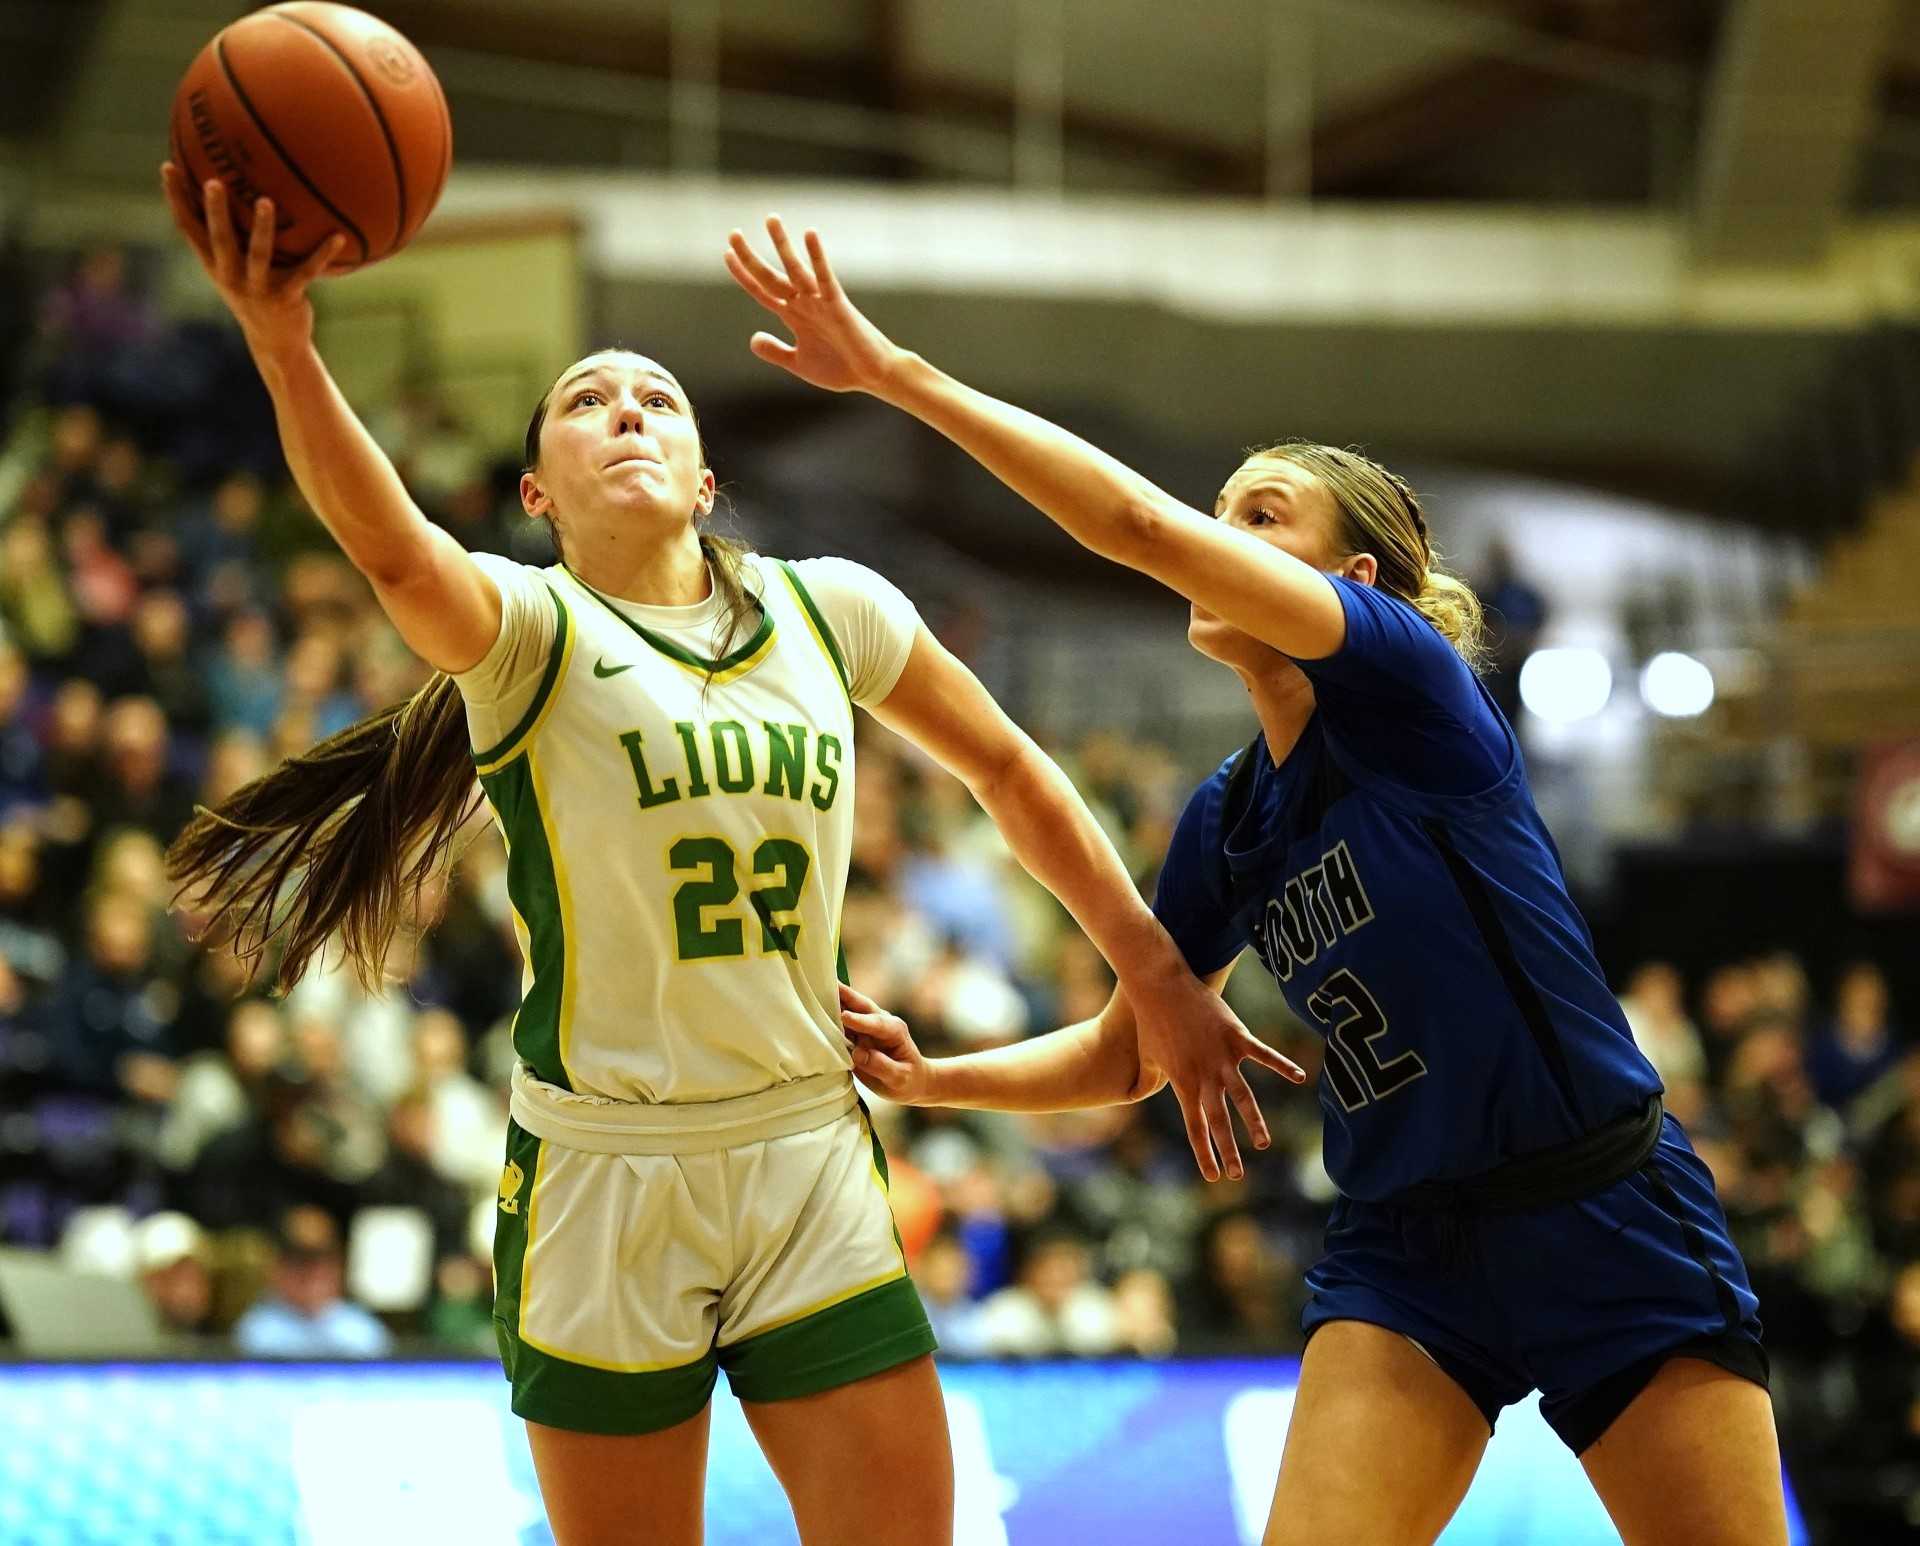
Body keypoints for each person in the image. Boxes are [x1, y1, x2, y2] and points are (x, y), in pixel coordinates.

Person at [157, 168, 1299, 1546]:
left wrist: (1157, 973)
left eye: (655, 398)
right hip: (602, 1173)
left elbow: (1009, 769)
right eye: (587, 399)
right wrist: (284, 344)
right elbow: (393, 552)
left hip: (802, 1146)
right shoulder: (529, 631)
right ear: (537, 491)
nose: (625, 408)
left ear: (706, 479)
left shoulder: (837, 610)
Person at [726, 216, 1788, 1546]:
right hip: (1407, 1252)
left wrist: (897, 376)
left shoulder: (1408, 687)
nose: (1215, 533)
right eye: (1219, 507)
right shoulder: (1230, 817)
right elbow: (1133, 1048)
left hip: (1600, 1210)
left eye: (1257, 513)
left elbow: (1130, 523)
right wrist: (937, 1076)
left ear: (1353, 580)